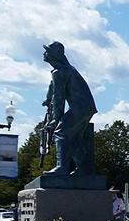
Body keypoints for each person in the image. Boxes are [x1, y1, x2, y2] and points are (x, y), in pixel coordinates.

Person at [41, 41, 97, 176]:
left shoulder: (61, 71)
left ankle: (62, 167)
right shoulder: (64, 70)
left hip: (80, 107)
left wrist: (55, 121)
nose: (44, 53)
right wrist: (48, 100)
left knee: (61, 133)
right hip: (86, 107)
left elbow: (59, 99)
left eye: (47, 51)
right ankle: (83, 169)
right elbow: (53, 87)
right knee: (74, 138)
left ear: (54, 55)